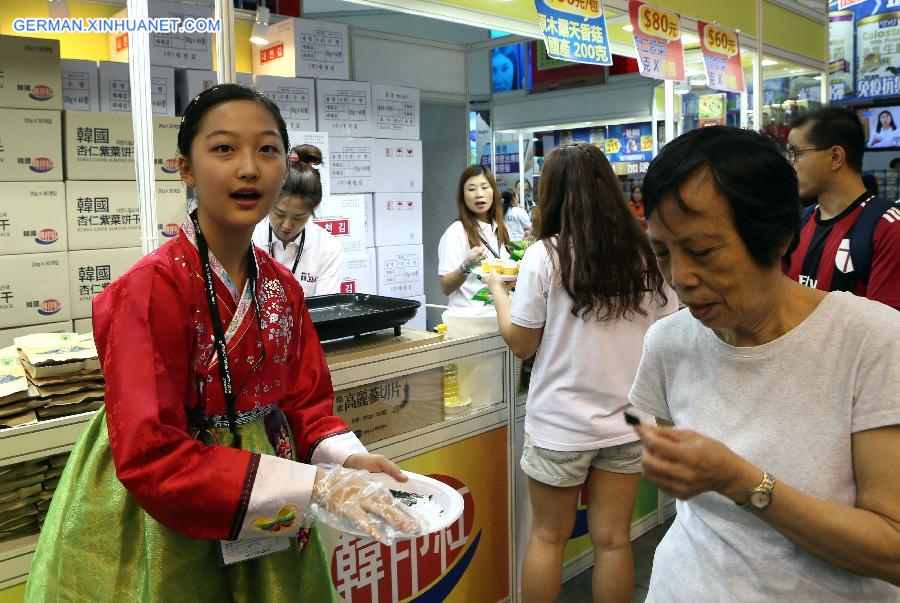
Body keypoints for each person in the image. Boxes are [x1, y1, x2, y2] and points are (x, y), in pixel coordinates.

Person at [25, 85, 421, 602]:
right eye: (224, 149)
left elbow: (304, 401)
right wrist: (314, 486)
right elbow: (151, 452)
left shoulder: (281, 287)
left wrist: (345, 462)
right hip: (162, 507)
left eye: (267, 149)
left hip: (270, 490)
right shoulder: (148, 290)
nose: (250, 168)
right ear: (185, 168)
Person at [629, 125, 900, 601]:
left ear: (776, 239)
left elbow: (892, 548)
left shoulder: (871, 341)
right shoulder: (668, 344)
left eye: (701, 251)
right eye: (661, 254)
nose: (680, 278)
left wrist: (744, 482)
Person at [487, 142, 676, 603]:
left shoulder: (545, 256)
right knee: (613, 540)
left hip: (561, 426)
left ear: (551, 194)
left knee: (548, 537)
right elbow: (669, 326)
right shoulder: (646, 256)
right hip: (629, 423)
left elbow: (522, 341)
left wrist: (497, 291)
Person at [783, 107, 900, 308]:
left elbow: (886, 332)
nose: (790, 164)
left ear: (835, 157)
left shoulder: (889, 229)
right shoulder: (798, 224)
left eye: (796, 153)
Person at [252, 144, 343, 298]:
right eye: (279, 214)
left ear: (312, 211)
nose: (286, 225)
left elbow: (326, 310)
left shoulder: (328, 248)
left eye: (299, 217)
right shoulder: (249, 239)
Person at [438, 165, 510, 307]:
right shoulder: (456, 232)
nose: (479, 194)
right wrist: (466, 266)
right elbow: (446, 287)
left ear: (494, 191)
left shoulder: (503, 229)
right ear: (463, 196)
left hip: (500, 319)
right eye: (471, 189)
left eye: (484, 187)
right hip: (468, 321)